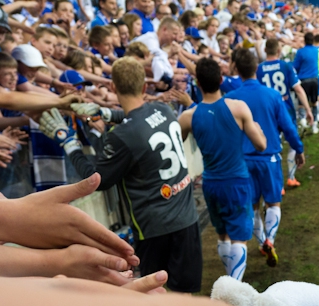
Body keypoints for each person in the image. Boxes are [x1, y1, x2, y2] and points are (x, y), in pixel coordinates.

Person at [40, 58, 203, 293]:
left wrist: (70, 144)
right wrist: (104, 112)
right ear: (145, 87)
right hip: (186, 217)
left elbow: (97, 180)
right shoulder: (163, 109)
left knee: (154, 294)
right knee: (184, 295)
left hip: (155, 226)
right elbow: (137, 118)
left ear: (114, 88)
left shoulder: (122, 136)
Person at [179, 58, 266, 281]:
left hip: (210, 183)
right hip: (236, 181)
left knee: (223, 235)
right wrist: (256, 128)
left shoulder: (188, 117)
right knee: (239, 238)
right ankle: (234, 289)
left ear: (197, 82)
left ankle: (230, 281)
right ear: (220, 79)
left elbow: (177, 143)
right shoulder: (238, 108)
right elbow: (261, 145)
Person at [226, 49, 304, 268]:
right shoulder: (272, 95)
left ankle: (262, 243)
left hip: (242, 161)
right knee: (273, 203)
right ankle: (270, 239)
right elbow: (288, 127)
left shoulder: (230, 98)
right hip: (268, 158)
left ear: (237, 70)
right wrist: (298, 149)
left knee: (251, 207)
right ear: (256, 69)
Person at [256, 37, 313, 188]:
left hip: (267, 112)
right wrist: (308, 109)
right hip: (285, 109)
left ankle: (278, 185)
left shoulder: (259, 69)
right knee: (292, 143)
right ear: (279, 51)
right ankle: (291, 177)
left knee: (274, 145)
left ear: (265, 50)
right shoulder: (286, 66)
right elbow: (298, 89)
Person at [292, 32, 319, 134]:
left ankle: (303, 123)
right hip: (314, 79)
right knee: (314, 102)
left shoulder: (300, 52)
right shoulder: (316, 50)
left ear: (304, 40)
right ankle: (315, 125)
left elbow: (295, 66)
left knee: (301, 104)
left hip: (303, 80)